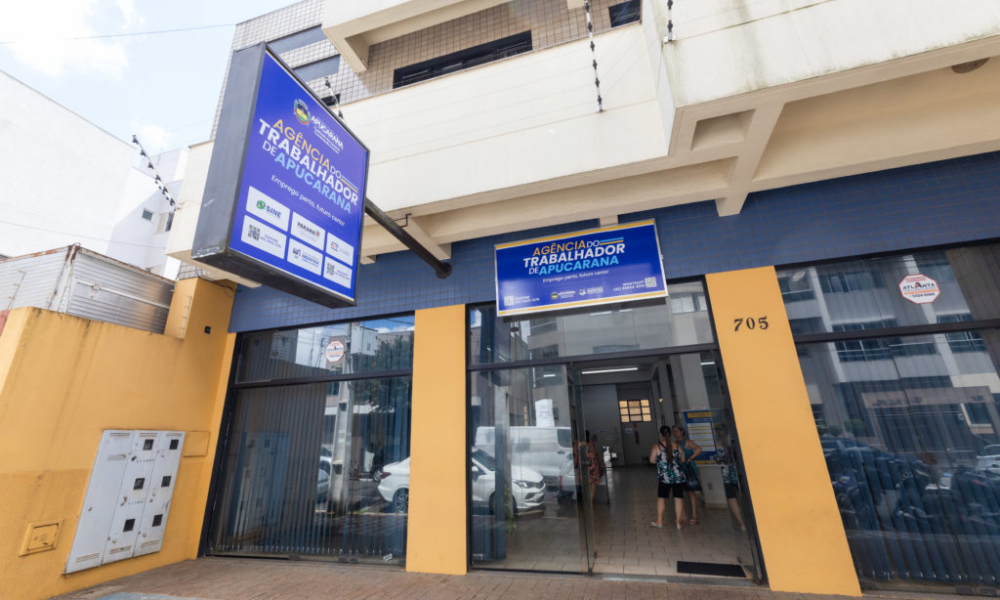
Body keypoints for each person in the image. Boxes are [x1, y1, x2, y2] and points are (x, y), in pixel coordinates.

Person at [649, 425, 687, 529]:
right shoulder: (677, 445)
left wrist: (661, 462)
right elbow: (683, 459)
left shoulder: (657, 446)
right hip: (678, 476)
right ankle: (678, 523)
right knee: (678, 498)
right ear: (670, 434)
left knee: (662, 498)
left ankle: (659, 521)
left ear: (660, 434)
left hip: (664, 477)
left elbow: (651, 460)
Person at [673, 426, 702, 525]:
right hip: (679, 469)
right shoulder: (675, 443)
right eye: (674, 432)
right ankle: (683, 515)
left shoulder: (688, 442)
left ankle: (695, 516)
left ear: (682, 432)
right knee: (680, 493)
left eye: (676, 431)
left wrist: (690, 458)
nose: (675, 434)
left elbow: (698, 449)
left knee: (691, 492)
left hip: (688, 469)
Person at [586, 430, 600, 506]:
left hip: (585, 464)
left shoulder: (580, 443)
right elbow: (595, 452)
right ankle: (591, 501)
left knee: (587, 483)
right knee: (593, 483)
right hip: (593, 464)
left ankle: (587, 500)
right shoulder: (591, 442)